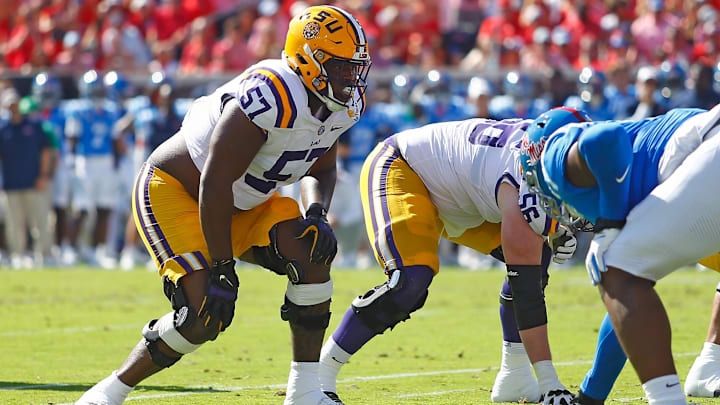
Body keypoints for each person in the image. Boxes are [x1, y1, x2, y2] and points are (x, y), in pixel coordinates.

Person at [76, 5, 370, 405]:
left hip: (247, 199)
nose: (350, 78)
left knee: (311, 250)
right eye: (340, 67)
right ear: (308, 59)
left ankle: (305, 392)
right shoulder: (271, 95)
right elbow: (214, 184)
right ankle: (108, 393)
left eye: (354, 68)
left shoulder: (340, 103)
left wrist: (317, 213)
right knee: (202, 317)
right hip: (179, 192)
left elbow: (321, 165)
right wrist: (222, 267)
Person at [317, 113, 585, 405]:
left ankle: (516, 375)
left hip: (465, 195)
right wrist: (550, 383)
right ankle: (320, 374)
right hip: (404, 169)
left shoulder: (543, 155)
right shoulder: (520, 175)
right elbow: (526, 289)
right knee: (410, 281)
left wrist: (554, 227)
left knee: (537, 255)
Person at [520, 105, 720, 404]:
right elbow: (624, 314)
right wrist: (590, 398)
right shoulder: (637, 149)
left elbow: (605, 138)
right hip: (705, 145)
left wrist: (610, 223)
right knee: (622, 273)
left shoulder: (555, 157)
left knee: (616, 266)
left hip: (708, 151)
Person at [0, 88, 53, 268]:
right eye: (10, 105)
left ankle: (43, 255)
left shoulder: (33, 126)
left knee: (39, 221)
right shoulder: (3, 128)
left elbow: (45, 152)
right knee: (14, 223)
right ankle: (18, 255)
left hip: (33, 181)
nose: (13, 108)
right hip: (11, 183)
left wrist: (44, 175)